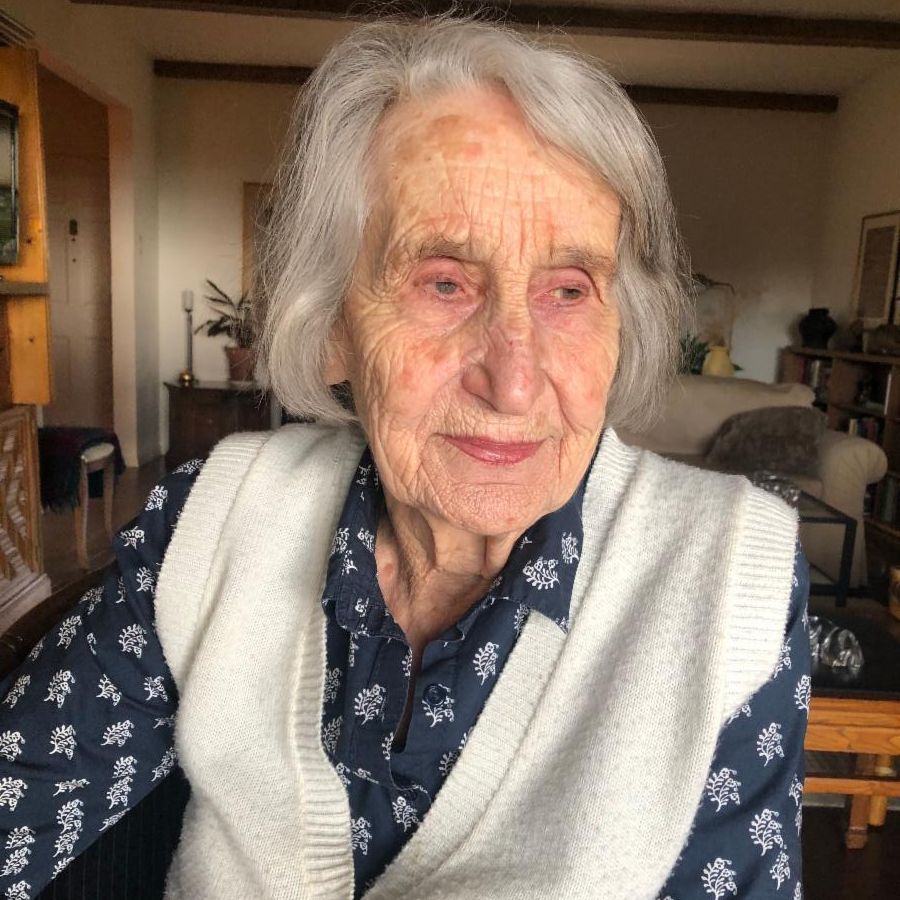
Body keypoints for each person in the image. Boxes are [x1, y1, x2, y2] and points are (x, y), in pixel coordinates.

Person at [0, 15, 809, 900]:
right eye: (444, 283)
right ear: (332, 327)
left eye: (568, 290)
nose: (514, 381)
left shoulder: (731, 578)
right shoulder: (214, 522)